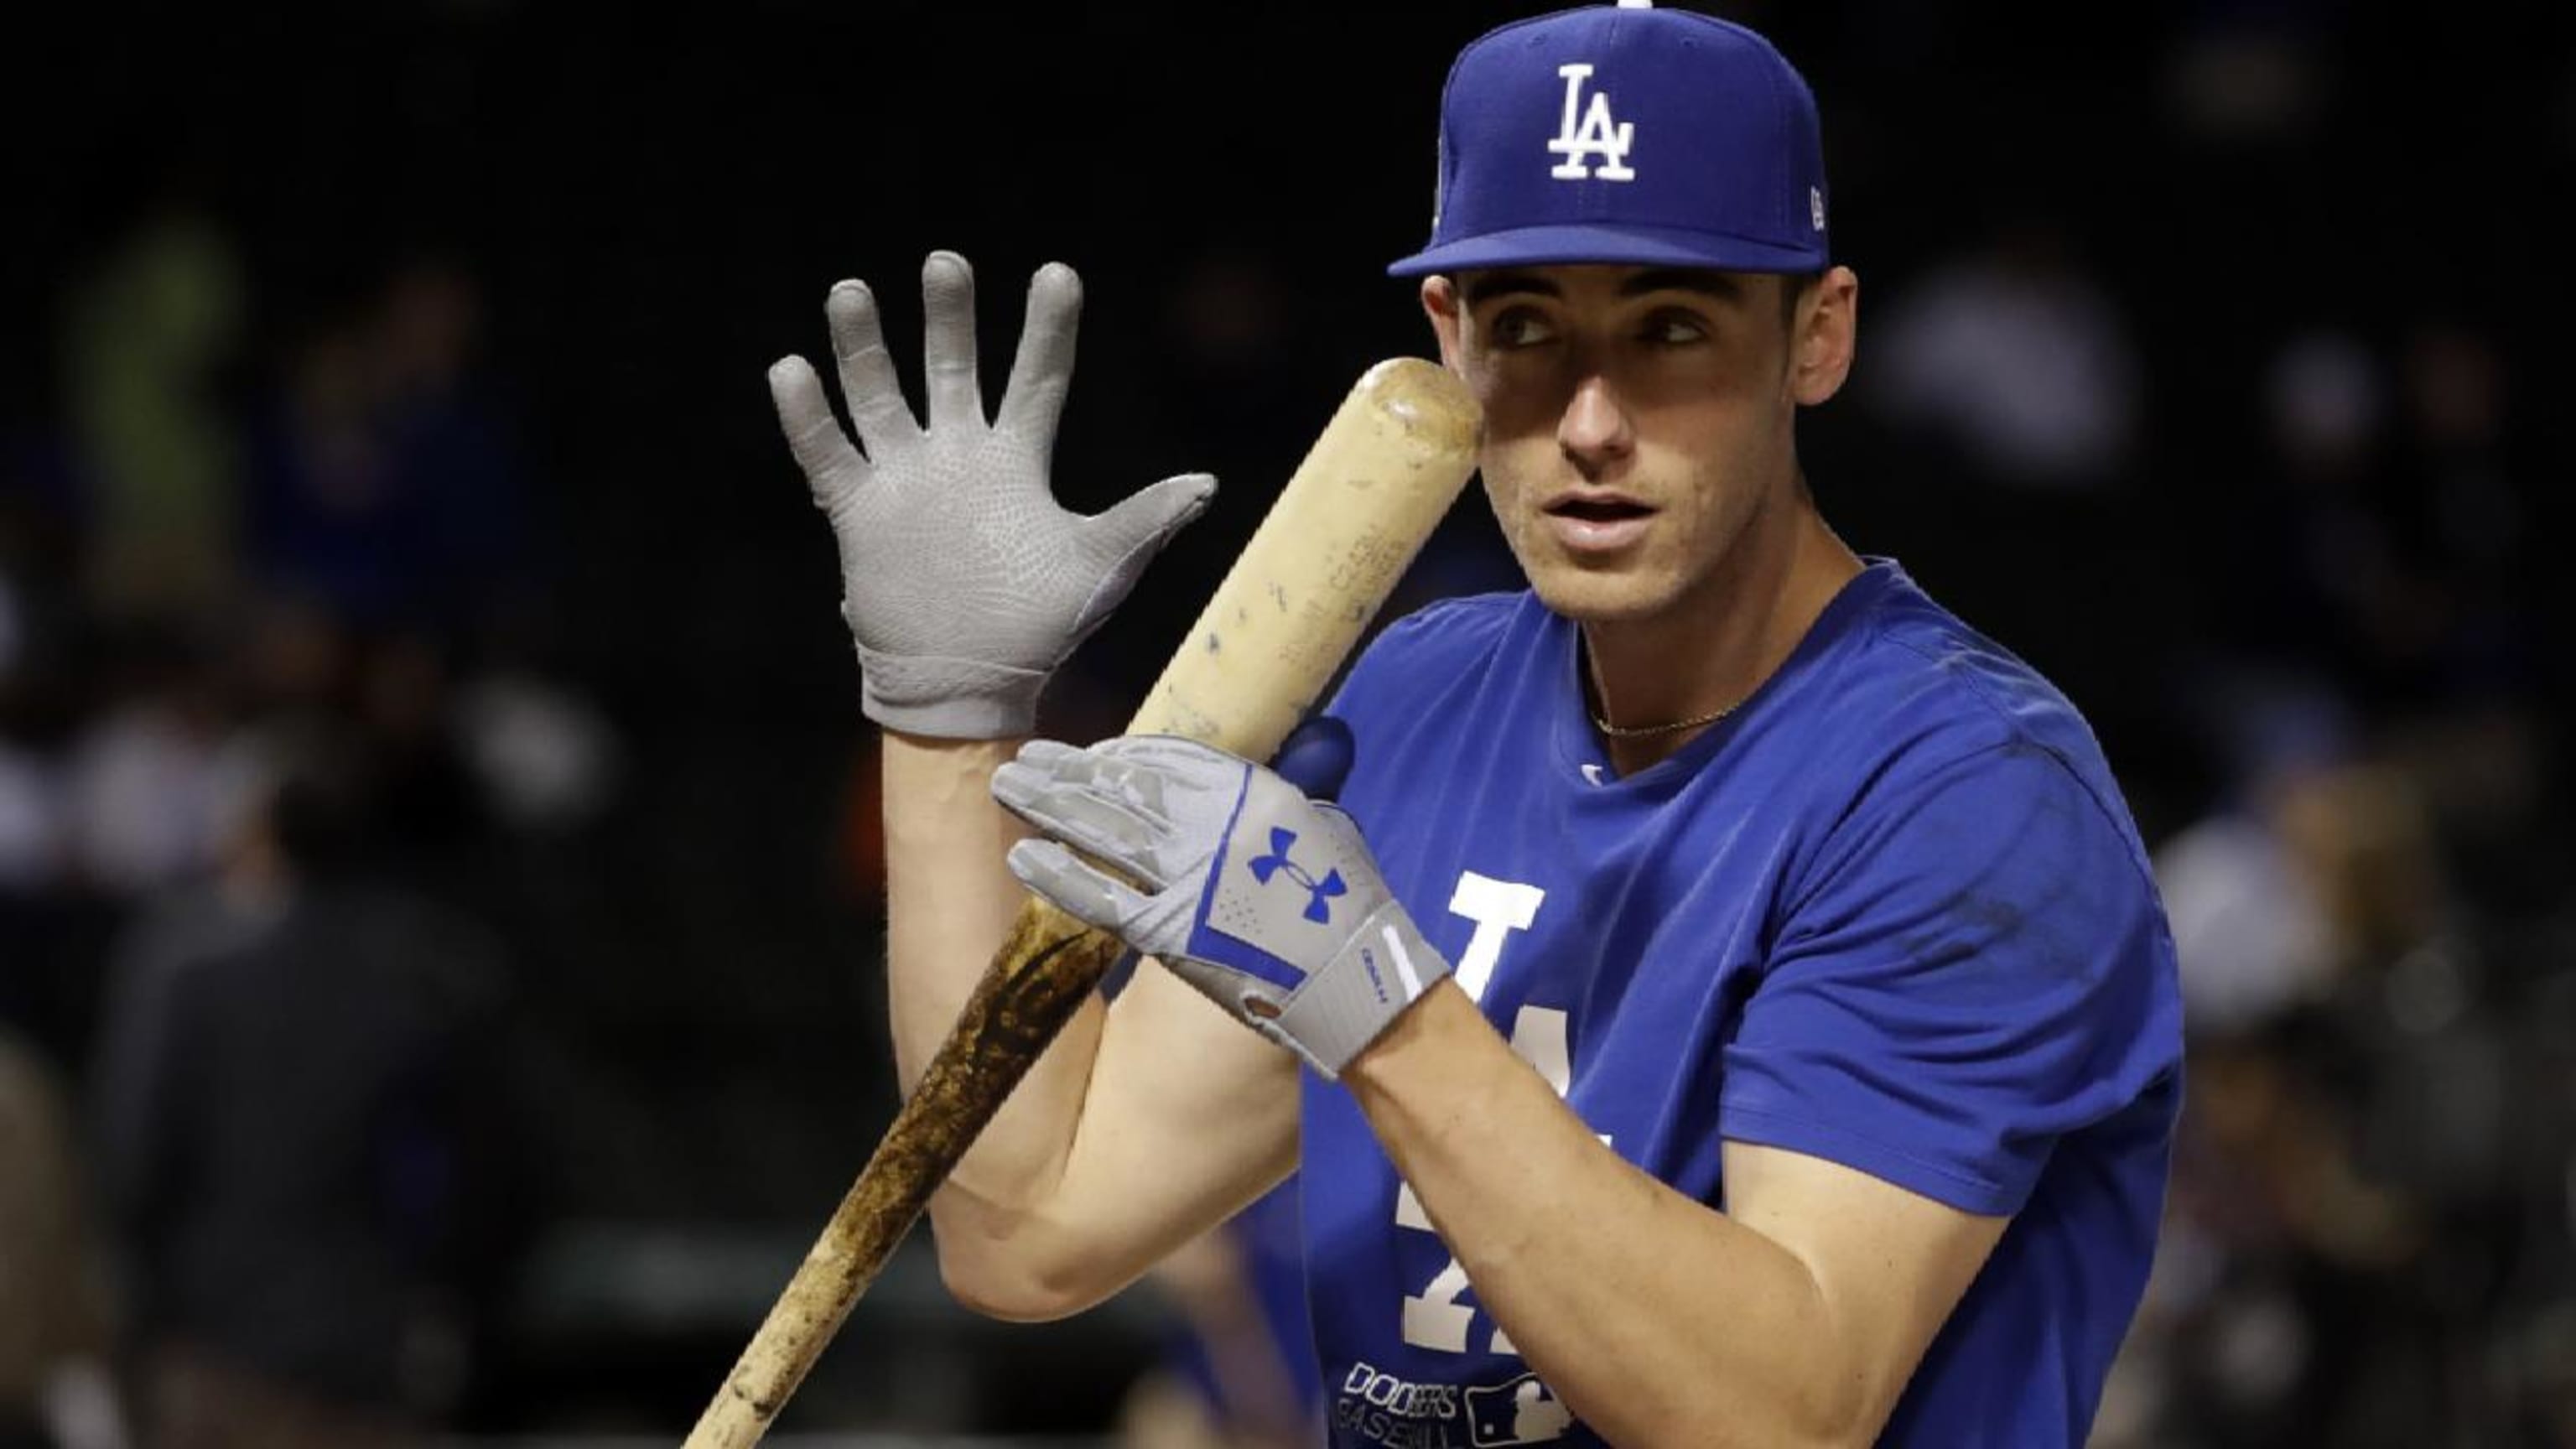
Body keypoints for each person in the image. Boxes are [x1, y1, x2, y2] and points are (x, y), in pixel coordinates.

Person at [766, 5, 2182, 1443]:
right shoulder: (1414, 698)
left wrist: (1381, 1008)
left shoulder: (1967, 791)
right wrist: (946, 723)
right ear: (1447, 343)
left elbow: (1778, 1411)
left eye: (1670, 328)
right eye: (1526, 330)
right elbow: (1033, 1231)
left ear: (1818, 336)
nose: (1588, 421)